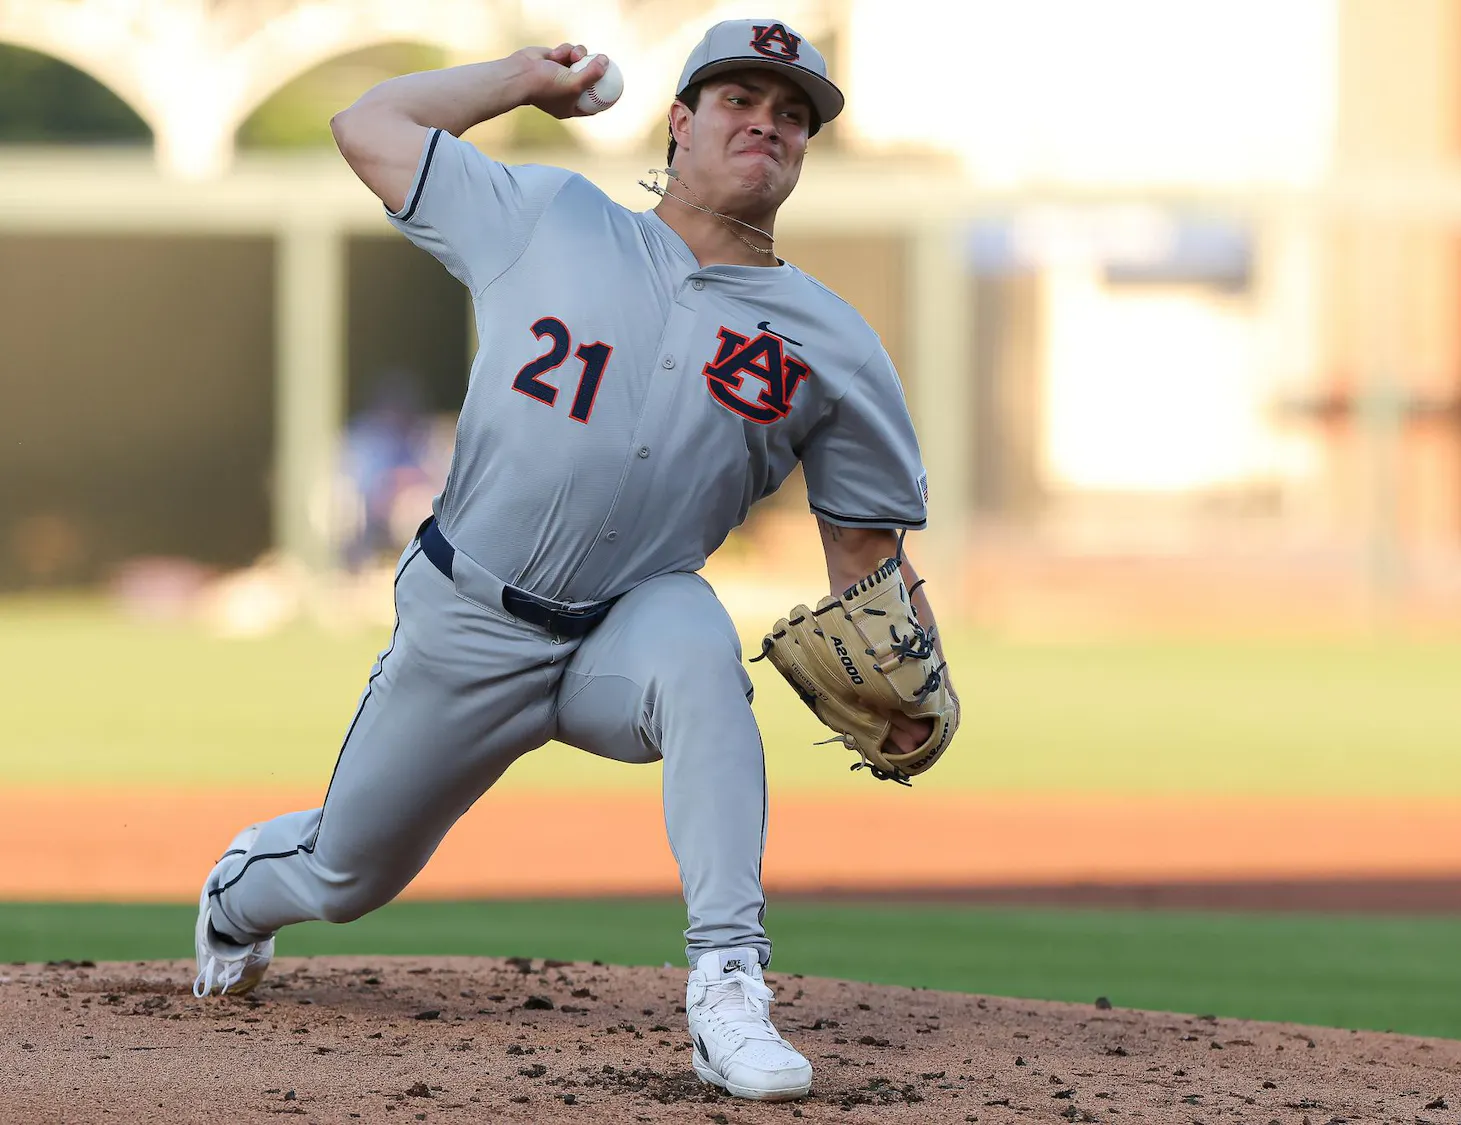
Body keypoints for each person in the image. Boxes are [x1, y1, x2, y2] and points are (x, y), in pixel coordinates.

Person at [191, 18, 958, 1103]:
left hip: (628, 629)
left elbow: (866, 551)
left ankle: (728, 985)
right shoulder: (544, 217)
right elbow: (367, 123)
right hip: (471, 620)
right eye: (740, 101)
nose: (769, 125)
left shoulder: (829, 341)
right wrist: (518, 83)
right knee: (346, 873)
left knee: (698, 641)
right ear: (680, 122)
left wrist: (918, 672)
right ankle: (238, 889)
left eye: (793, 115)